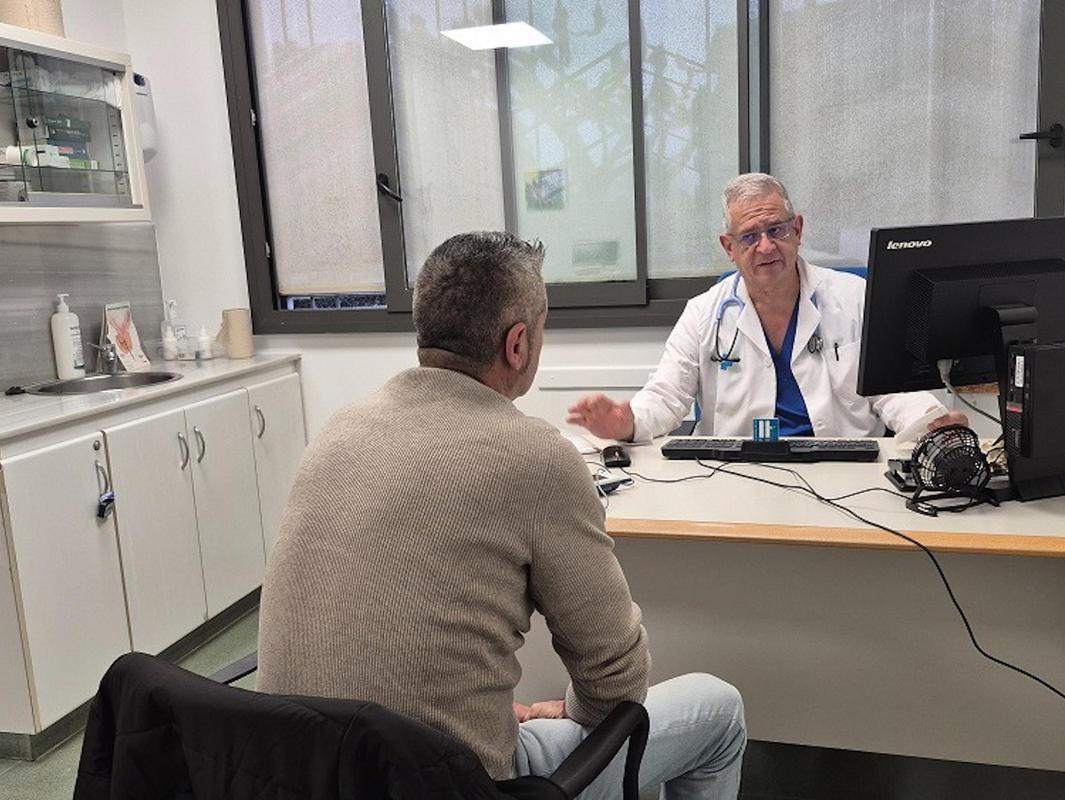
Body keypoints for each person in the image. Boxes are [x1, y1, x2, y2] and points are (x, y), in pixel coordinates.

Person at [257, 231, 746, 798]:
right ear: (518, 344)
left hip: (289, 774)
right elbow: (617, 685)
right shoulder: (536, 456)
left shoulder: (337, 430)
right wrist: (565, 709)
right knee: (720, 711)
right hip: (447, 786)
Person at [567, 173, 966, 442]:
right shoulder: (703, 313)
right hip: (736, 472)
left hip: (842, 466)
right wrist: (627, 422)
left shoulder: (855, 297)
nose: (766, 246)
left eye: (776, 229)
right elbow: (667, 395)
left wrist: (930, 421)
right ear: (729, 248)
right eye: (749, 236)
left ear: (798, 230)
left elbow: (894, 391)